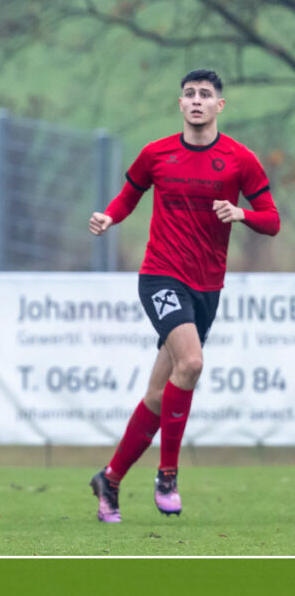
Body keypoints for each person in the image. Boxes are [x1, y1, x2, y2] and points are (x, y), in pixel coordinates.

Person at [88, 69, 280, 523]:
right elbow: (128, 196)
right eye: (189, 94)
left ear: (219, 106)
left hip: (207, 287)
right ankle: (168, 475)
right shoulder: (156, 154)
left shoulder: (239, 159)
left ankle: (110, 479)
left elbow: (271, 220)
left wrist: (241, 214)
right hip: (160, 277)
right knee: (191, 363)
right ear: (180, 104)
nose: (196, 100)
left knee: (160, 395)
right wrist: (110, 217)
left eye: (205, 94)